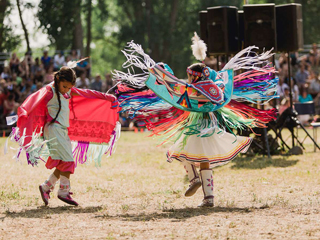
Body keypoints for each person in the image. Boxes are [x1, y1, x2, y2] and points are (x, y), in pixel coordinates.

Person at [113, 34, 278, 207]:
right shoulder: (215, 88)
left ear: (195, 77)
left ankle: (193, 180)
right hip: (211, 125)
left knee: (181, 151)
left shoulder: (192, 91)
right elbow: (218, 81)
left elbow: (174, 87)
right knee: (204, 159)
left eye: (190, 77)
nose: (189, 80)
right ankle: (209, 197)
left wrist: (159, 71)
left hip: (196, 125)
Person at [7, 64, 120, 207]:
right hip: (54, 129)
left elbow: (88, 93)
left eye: (69, 87)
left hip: (61, 130)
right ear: (58, 79)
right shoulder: (49, 91)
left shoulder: (68, 92)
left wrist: (108, 97)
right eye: (64, 86)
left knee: (64, 161)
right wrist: (24, 111)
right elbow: (34, 99)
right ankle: (63, 192)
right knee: (68, 160)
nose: (66, 90)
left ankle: (46, 186)